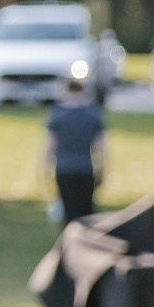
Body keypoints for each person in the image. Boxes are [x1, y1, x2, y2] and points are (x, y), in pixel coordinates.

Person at [43, 77, 108, 224]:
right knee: (86, 212)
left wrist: (45, 169)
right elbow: (101, 148)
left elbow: (50, 146)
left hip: (64, 169)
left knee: (68, 212)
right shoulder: (93, 114)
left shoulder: (57, 114)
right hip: (85, 168)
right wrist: (103, 169)